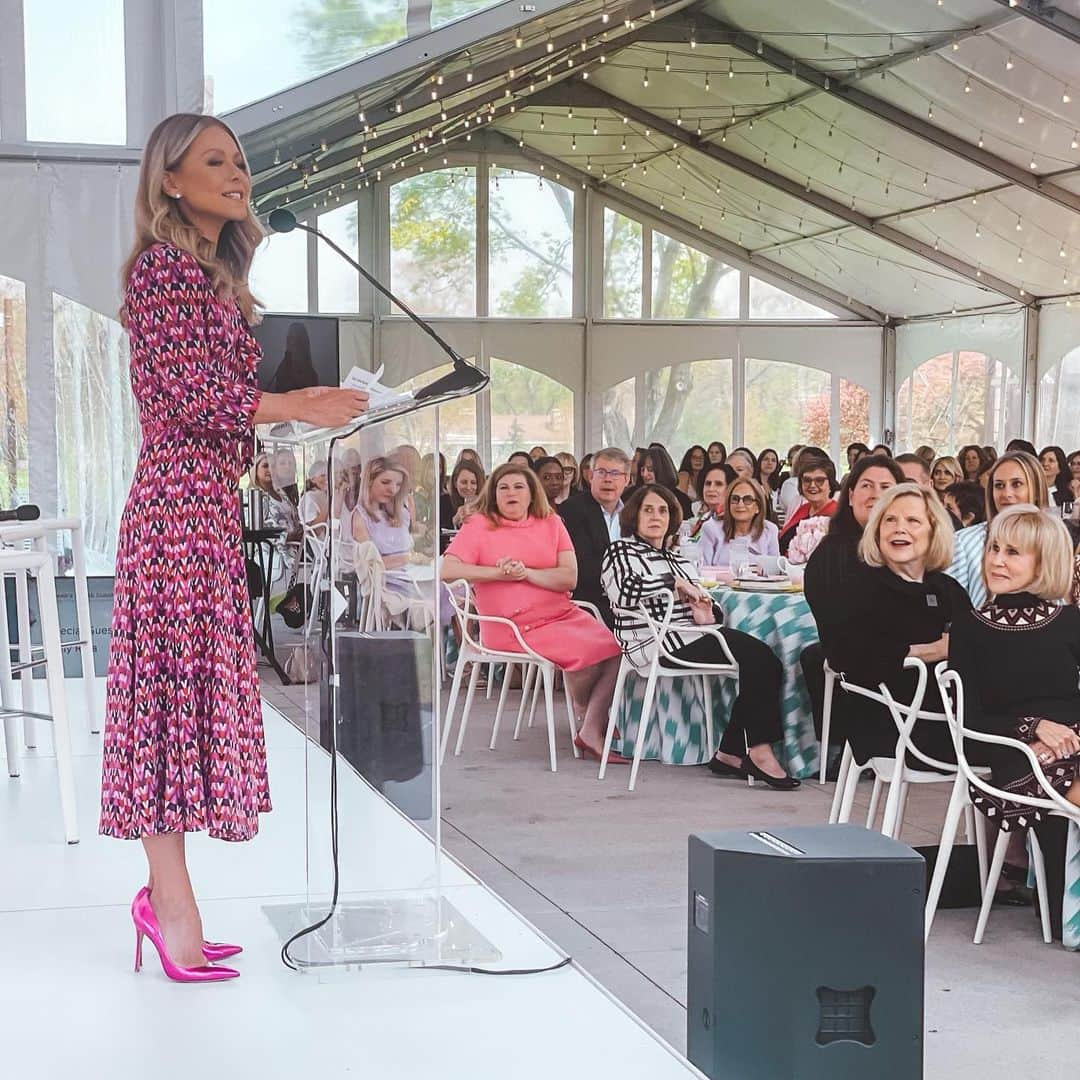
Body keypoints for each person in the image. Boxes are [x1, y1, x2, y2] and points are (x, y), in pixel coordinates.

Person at [99, 113, 368, 981]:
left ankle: (168, 895)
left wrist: (300, 415)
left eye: (241, 160)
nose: (238, 172)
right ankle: (168, 903)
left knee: (185, 709)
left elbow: (222, 407)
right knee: (167, 709)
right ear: (169, 180)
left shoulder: (213, 280)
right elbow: (190, 398)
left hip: (205, 512)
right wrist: (300, 407)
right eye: (214, 160)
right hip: (174, 515)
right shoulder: (160, 271)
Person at [601, 485, 798, 789]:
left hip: (694, 633)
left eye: (663, 511)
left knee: (764, 660)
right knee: (760, 659)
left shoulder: (677, 557)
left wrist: (708, 610)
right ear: (634, 516)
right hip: (659, 641)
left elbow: (707, 599)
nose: (656, 516)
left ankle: (732, 752)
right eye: (648, 510)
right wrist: (674, 584)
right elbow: (624, 592)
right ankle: (755, 751)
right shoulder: (620, 551)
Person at [948, 506, 1080, 932]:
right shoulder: (970, 627)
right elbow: (969, 721)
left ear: (1045, 562)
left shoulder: (1071, 622)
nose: (998, 560)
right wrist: (1030, 728)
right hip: (1011, 751)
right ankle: (1068, 913)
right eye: (994, 549)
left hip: (1073, 743)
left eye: (1014, 553)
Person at [441, 463, 624, 762]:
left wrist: (527, 573)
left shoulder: (551, 523)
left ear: (531, 494)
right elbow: (447, 570)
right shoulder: (479, 525)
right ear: (494, 494)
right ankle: (589, 720)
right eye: (503, 487)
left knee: (616, 648)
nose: (511, 493)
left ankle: (589, 721)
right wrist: (497, 573)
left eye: (518, 487)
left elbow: (569, 578)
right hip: (511, 625)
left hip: (561, 614)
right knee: (585, 655)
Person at [812, 484, 968, 767]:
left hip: (946, 720)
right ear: (877, 530)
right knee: (1010, 750)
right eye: (890, 520)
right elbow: (844, 654)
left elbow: (972, 648)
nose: (899, 529)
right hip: (888, 723)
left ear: (933, 531)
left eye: (913, 521)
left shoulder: (949, 590)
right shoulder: (860, 586)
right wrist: (932, 650)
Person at [802, 455, 905, 750]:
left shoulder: (908, 550)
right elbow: (846, 627)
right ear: (850, 496)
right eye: (866, 486)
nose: (875, 494)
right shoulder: (833, 553)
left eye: (886, 487)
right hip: (864, 660)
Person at [946, 451, 1049, 608]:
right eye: (999, 485)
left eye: (1017, 484)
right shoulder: (964, 541)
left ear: (1036, 489)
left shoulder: (1052, 539)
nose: (1006, 494)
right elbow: (950, 606)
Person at [557, 447, 632, 628]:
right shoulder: (572, 510)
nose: (608, 479)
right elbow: (583, 568)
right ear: (590, 476)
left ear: (626, 479)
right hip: (590, 604)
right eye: (602, 472)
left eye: (615, 473)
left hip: (630, 601)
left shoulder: (632, 512)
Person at [698, 478, 779, 567]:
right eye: (735, 499)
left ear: (758, 507)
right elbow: (703, 571)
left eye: (747, 500)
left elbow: (775, 570)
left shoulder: (770, 530)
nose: (740, 504)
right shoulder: (711, 529)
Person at [778, 453, 838, 556]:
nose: (812, 485)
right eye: (807, 480)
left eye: (819, 480)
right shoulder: (803, 508)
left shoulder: (838, 514)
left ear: (831, 484)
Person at [636, 445, 693, 520]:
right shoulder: (635, 496)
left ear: (662, 470)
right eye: (642, 470)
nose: (645, 474)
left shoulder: (681, 500)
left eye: (650, 469)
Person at [686, 462, 735, 538]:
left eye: (718, 484)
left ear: (730, 488)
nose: (711, 489)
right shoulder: (706, 517)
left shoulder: (734, 519)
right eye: (708, 484)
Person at [444, 458, 485, 529]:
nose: (468, 487)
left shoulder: (485, 504)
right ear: (455, 483)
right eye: (464, 482)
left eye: (473, 483)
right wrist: (455, 520)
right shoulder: (443, 501)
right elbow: (437, 532)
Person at [299, 459, 330, 527]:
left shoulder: (327, 494)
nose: (327, 478)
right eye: (322, 475)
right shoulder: (309, 497)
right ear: (313, 479)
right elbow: (314, 531)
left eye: (328, 475)